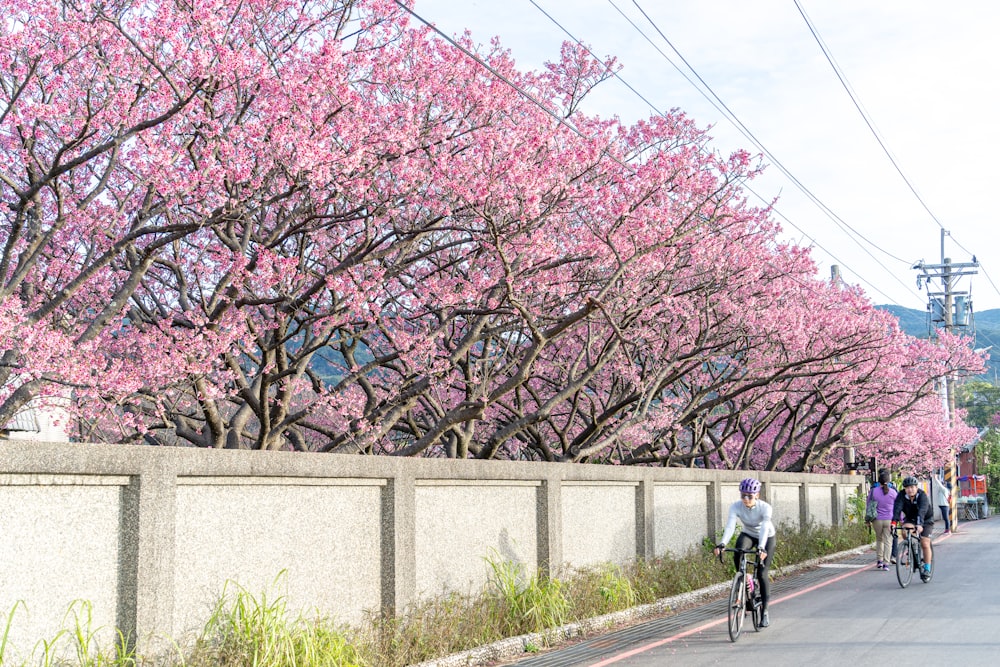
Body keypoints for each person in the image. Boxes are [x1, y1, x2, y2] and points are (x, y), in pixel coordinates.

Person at [714, 478, 776, 627]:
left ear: (757, 495)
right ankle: (743, 584)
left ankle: (765, 611)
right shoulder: (736, 507)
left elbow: (765, 527)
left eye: (750, 496)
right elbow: (730, 526)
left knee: (761, 573)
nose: (746, 499)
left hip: (766, 536)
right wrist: (722, 543)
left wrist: (761, 547)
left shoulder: (765, 507)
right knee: (739, 552)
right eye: (743, 496)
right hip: (748, 533)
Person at [892, 476, 935, 581]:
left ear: (916, 487)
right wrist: (893, 523)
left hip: (925, 519)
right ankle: (911, 547)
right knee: (905, 531)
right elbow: (897, 509)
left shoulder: (922, 496)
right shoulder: (901, 495)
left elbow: (922, 510)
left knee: (925, 543)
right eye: (907, 488)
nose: (910, 490)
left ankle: (927, 568)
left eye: (912, 487)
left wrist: (920, 524)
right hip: (911, 519)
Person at [869, 469, 897, 570]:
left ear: (878, 481)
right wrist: (901, 519)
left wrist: (867, 520)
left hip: (877, 520)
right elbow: (897, 507)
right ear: (889, 481)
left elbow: (869, 505)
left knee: (879, 540)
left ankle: (879, 561)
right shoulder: (893, 492)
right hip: (889, 520)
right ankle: (886, 563)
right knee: (888, 541)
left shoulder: (873, 491)